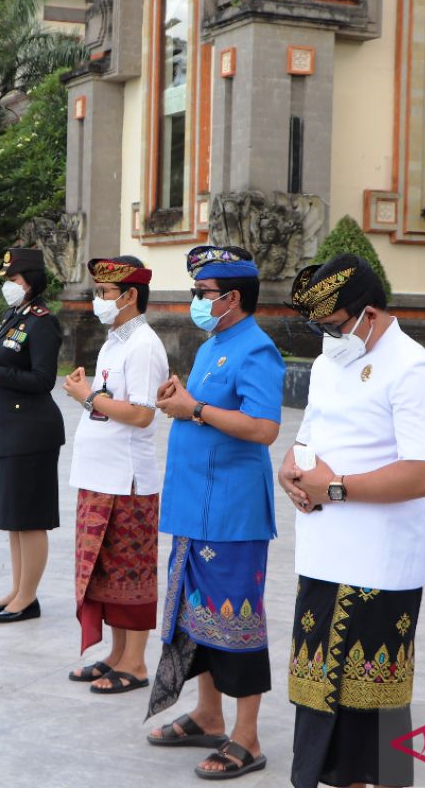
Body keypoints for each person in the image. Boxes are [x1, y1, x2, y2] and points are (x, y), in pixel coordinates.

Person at [278, 253, 425, 788]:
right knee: (318, 702)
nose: (327, 338)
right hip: (323, 553)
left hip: (377, 564)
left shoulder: (415, 369)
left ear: (369, 314)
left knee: (368, 715)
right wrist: (292, 470)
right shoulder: (331, 362)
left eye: (333, 326)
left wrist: (334, 489)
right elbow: (309, 435)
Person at [146, 245, 283, 781]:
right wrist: (183, 395)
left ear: (232, 297)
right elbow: (206, 409)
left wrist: (194, 409)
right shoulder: (213, 345)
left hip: (229, 510)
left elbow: (263, 428)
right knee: (194, 614)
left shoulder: (257, 350)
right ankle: (207, 714)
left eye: (203, 294)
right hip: (193, 504)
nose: (195, 301)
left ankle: (246, 737)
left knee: (234, 619)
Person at [62, 256, 169, 694]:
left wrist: (88, 397)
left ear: (130, 296)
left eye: (105, 293)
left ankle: (137, 663)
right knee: (106, 571)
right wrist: (87, 396)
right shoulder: (113, 342)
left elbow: (142, 414)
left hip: (128, 480)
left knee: (131, 571)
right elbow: (107, 402)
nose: (98, 300)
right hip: (99, 474)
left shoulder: (144, 344)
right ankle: (116, 654)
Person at [0, 248, 65, 623]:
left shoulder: (43, 322)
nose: (8, 287)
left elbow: (44, 380)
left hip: (32, 431)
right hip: (8, 428)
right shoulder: (14, 316)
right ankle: (17, 589)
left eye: (13, 280)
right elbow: (2, 363)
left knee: (30, 518)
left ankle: (28, 597)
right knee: (13, 517)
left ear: (30, 281)